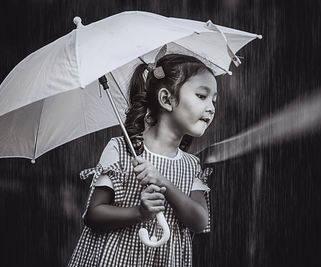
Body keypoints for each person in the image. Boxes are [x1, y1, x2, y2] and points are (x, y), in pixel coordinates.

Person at [68, 53, 217, 267]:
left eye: (214, 99)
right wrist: (139, 213)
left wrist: (163, 182)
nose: (211, 107)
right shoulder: (121, 150)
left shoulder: (190, 165)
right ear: (166, 99)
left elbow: (199, 221)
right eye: (202, 96)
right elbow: (93, 215)